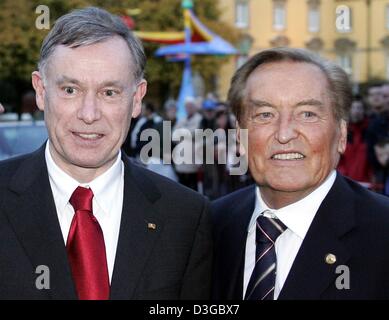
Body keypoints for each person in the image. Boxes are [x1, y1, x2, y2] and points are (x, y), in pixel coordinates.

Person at [0, 7, 212, 300]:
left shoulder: (186, 217)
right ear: (40, 90)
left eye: (109, 92)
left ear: (137, 98)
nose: (89, 114)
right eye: (70, 90)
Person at [212, 47, 389, 300]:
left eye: (307, 114)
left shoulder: (383, 233)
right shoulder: (207, 226)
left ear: (340, 135)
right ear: (240, 136)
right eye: (265, 115)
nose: (285, 134)